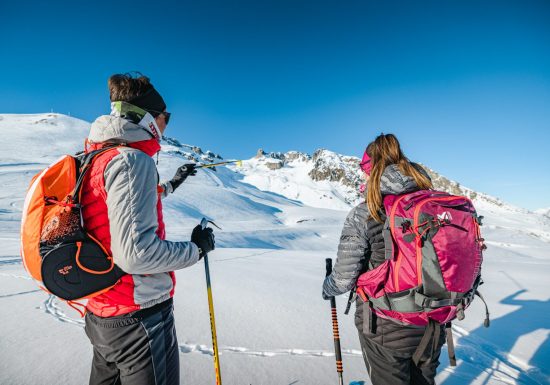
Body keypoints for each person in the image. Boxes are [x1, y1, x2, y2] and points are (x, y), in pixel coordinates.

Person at [81, 73, 215, 385]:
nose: (167, 125)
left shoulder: (98, 156)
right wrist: (196, 249)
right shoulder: (132, 161)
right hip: (139, 316)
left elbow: (123, 202)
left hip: (103, 311)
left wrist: (174, 182)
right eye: (165, 117)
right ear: (147, 119)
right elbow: (137, 255)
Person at [322, 133, 446, 385]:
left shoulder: (365, 213)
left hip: (385, 324)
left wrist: (328, 287)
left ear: (371, 169)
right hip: (435, 318)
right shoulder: (436, 206)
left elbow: (344, 278)